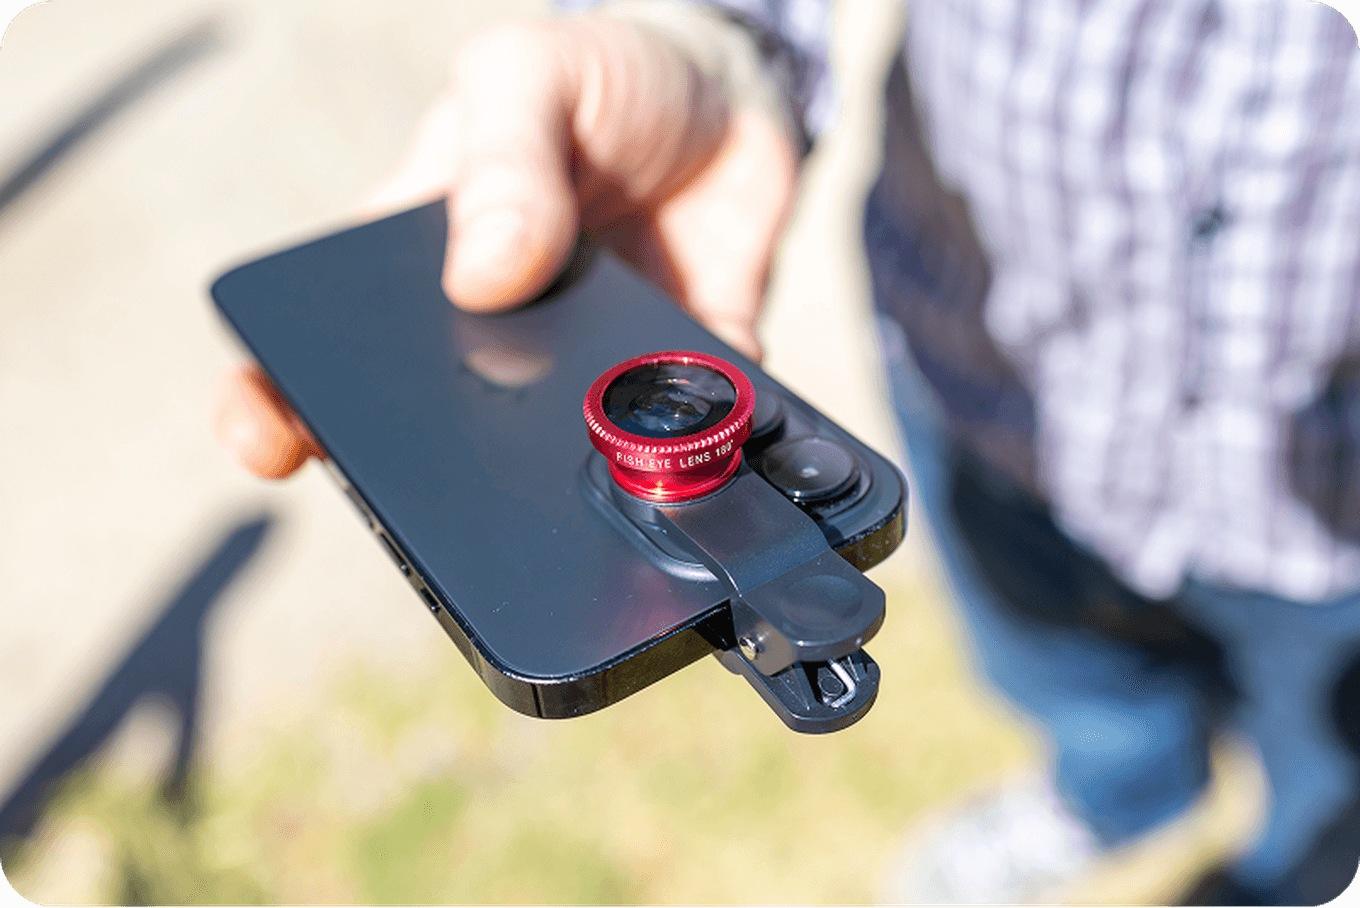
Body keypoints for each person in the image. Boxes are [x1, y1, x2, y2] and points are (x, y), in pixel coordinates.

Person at [211, 0, 1360, 903]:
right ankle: (1113, 798)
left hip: (1326, 503)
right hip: (987, 391)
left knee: (1329, 764)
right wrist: (703, 39)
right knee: (1057, 675)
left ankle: (1288, 873)